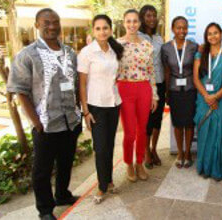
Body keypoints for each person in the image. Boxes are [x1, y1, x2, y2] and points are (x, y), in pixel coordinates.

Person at [6, 8, 81, 220]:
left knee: (66, 162)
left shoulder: (70, 53)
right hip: (46, 124)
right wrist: (36, 123)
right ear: (37, 25)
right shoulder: (27, 55)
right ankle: (45, 209)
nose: (52, 26)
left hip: (70, 121)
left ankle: (62, 194)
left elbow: (75, 84)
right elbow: (20, 91)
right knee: (42, 170)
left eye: (55, 22)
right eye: (46, 23)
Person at [78, 14, 123, 204]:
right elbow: (81, 84)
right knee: (100, 148)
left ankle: (109, 181)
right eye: (98, 28)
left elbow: (116, 75)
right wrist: (85, 111)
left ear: (111, 30)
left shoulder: (114, 51)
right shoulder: (87, 52)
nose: (102, 31)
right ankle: (102, 186)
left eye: (105, 28)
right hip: (95, 106)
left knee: (110, 145)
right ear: (93, 31)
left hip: (113, 104)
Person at [117, 9, 158, 182]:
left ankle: (139, 162)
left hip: (144, 89)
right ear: (124, 23)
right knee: (130, 132)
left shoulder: (147, 45)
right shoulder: (116, 45)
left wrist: (154, 95)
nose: (132, 24)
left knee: (142, 130)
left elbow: (151, 72)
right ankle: (128, 163)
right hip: (124, 89)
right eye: (129, 21)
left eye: (135, 21)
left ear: (139, 23)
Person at [194, 23, 222, 181]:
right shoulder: (200, 55)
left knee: (221, 132)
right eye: (209, 34)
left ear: (221, 35)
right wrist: (207, 96)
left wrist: (216, 96)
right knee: (205, 133)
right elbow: (196, 78)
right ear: (206, 37)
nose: (213, 36)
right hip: (203, 99)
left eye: (216, 33)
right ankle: (205, 166)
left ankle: (219, 167)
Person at [162, 16, 199, 168]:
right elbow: (166, 71)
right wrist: (166, 92)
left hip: (190, 89)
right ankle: (180, 153)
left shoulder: (193, 46)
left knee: (189, 123)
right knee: (177, 123)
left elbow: (197, 68)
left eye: (184, 27)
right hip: (174, 90)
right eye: (178, 27)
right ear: (173, 29)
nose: (182, 30)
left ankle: (188, 152)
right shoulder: (166, 48)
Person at [138, 5, 165, 169]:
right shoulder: (138, 37)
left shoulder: (159, 38)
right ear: (142, 17)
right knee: (147, 121)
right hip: (145, 85)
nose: (152, 18)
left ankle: (154, 149)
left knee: (158, 120)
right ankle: (146, 151)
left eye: (154, 15)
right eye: (148, 15)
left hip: (160, 82)